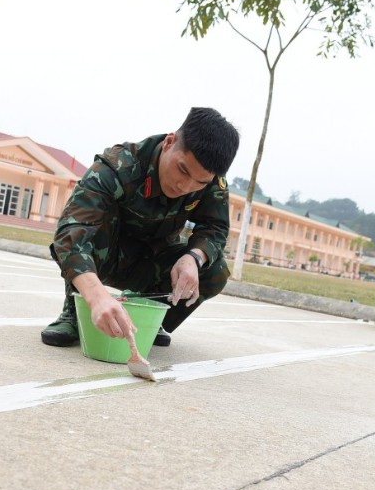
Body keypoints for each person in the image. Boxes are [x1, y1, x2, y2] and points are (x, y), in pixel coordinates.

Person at [41, 107, 240, 348]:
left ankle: (150, 318)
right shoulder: (118, 166)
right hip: (104, 257)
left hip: (153, 263)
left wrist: (193, 258)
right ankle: (75, 313)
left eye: (199, 182)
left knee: (214, 268)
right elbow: (71, 233)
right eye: (182, 169)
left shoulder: (212, 184)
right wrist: (96, 297)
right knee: (85, 233)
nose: (185, 186)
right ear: (169, 142)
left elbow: (215, 228)